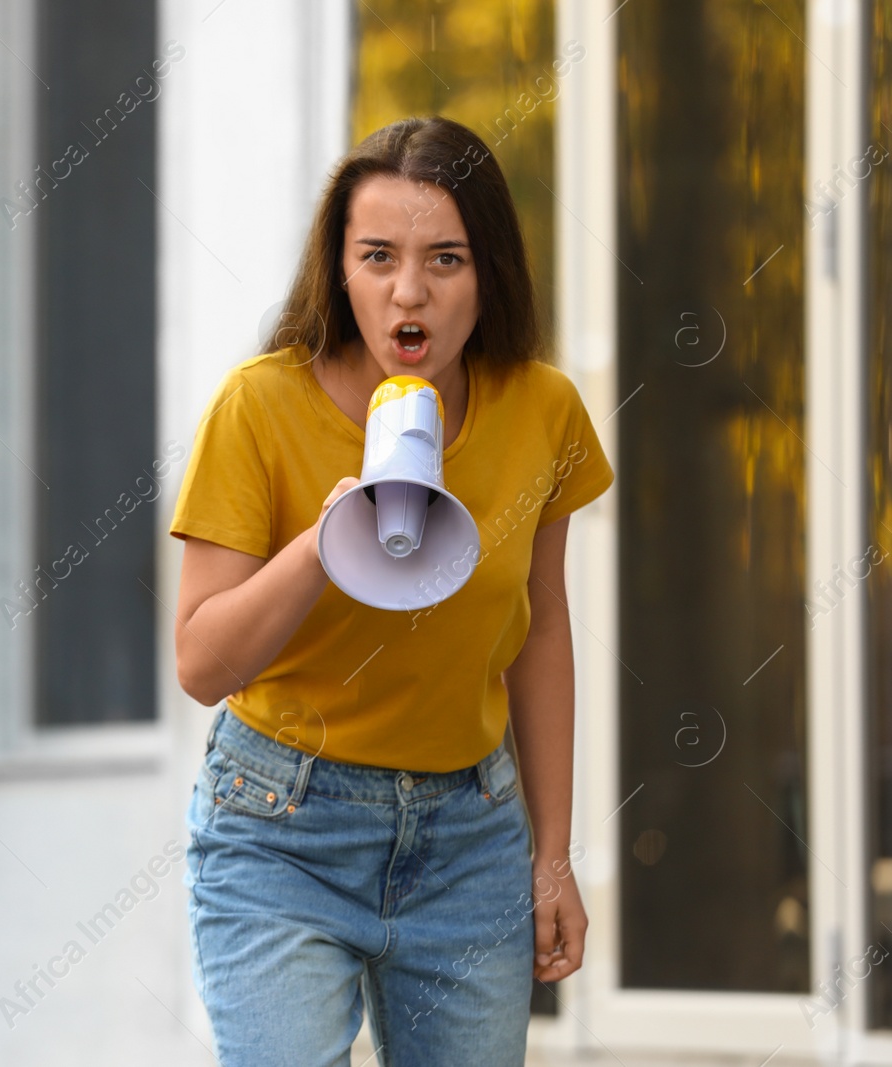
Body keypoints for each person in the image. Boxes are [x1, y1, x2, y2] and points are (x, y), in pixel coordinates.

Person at [169, 115, 614, 1067]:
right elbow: (201, 663)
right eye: (377, 256)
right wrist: (321, 547)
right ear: (339, 272)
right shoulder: (259, 406)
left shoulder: (543, 411)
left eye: (445, 259)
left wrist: (552, 855)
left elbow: (539, 633)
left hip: (469, 835)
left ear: (488, 272)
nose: (409, 291)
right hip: (282, 832)